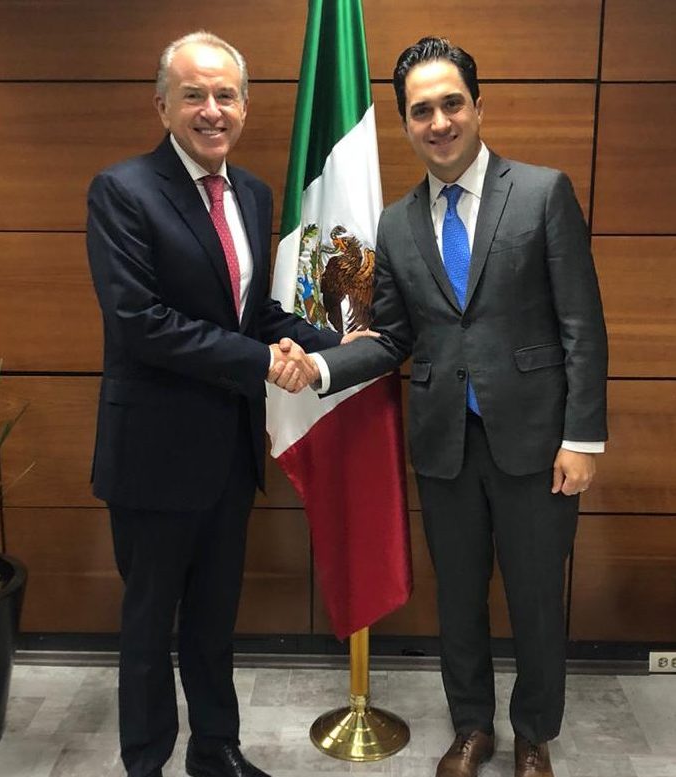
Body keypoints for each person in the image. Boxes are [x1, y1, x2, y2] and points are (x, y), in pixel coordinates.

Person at [311, 37, 608, 777]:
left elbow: (581, 323)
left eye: (451, 104)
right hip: (444, 441)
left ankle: (533, 733)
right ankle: (471, 726)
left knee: (536, 599)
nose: (438, 122)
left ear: (478, 107)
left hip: (536, 443)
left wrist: (582, 438)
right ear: (405, 123)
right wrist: (319, 366)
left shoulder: (541, 192)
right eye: (421, 111)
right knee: (459, 600)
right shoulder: (396, 223)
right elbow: (391, 339)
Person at [86, 30, 342, 777]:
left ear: (245, 106)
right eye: (193, 94)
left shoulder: (252, 194)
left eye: (225, 95)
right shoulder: (122, 191)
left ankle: (215, 749)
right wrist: (263, 361)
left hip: (227, 453)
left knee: (212, 619)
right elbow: (139, 323)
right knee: (148, 628)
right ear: (162, 105)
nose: (211, 110)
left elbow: (250, 314)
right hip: (152, 456)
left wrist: (330, 342)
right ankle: (145, 763)